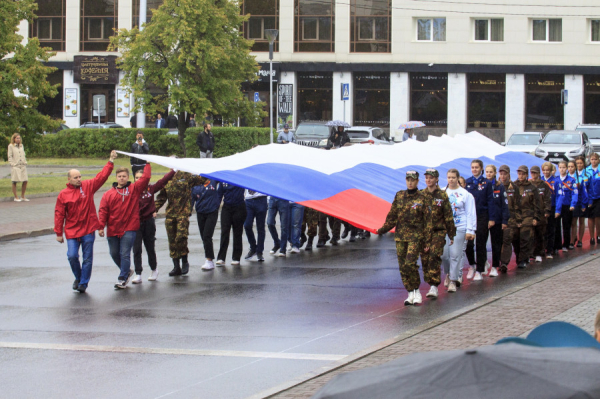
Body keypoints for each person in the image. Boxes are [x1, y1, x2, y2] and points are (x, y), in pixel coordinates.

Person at [54, 151, 117, 293]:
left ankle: (83, 283)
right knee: (72, 256)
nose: (79, 179)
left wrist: (110, 162)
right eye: (75, 177)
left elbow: (101, 177)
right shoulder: (63, 194)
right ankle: (78, 277)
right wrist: (59, 233)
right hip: (71, 231)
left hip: (88, 229)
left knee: (87, 258)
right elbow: (59, 214)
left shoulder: (87, 186)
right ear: (69, 179)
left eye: (80, 176)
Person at [377, 171, 426, 306]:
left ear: (417, 181)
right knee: (403, 266)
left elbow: (428, 219)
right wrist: (381, 230)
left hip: (416, 236)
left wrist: (427, 238)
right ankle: (410, 292)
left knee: (410, 263)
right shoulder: (399, 195)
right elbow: (392, 216)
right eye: (408, 180)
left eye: (413, 180)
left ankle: (417, 291)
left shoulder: (422, 197)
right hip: (401, 236)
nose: (410, 182)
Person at [98, 164, 152, 289]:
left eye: (124, 176)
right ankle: (127, 271)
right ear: (116, 177)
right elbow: (103, 211)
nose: (122, 178)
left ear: (128, 177)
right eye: (119, 176)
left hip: (129, 227)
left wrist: (147, 164)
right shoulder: (108, 194)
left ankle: (122, 278)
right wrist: (101, 226)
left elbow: (146, 178)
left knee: (125, 253)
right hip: (113, 228)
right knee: (114, 253)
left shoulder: (134, 189)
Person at [155, 171, 205, 276]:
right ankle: (176, 266)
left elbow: (203, 179)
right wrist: (153, 209)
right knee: (172, 241)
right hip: (170, 214)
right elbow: (161, 197)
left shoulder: (186, 176)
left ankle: (184, 260)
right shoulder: (167, 178)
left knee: (181, 237)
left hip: (183, 213)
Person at [132, 168, 175, 283]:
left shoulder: (150, 189)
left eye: (141, 178)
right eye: (136, 178)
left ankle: (154, 269)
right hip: (135, 223)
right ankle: (138, 273)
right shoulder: (132, 190)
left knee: (150, 247)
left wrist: (173, 170)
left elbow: (163, 181)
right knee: (136, 248)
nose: (139, 180)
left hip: (148, 222)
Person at [420, 169, 456, 299]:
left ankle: (434, 286)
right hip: (424, 233)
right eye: (427, 178)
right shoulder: (421, 195)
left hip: (438, 232)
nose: (428, 180)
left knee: (434, 256)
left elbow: (448, 216)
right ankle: (430, 281)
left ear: (437, 179)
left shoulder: (442, 195)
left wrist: (451, 234)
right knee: (425, 259)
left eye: (431, 178)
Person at [442, 168, 476, 292]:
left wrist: (470, 230)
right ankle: (448, 273)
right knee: (444, 255)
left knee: (455, 255)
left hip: (459, 227)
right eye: (449, 177)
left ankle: (453, 280)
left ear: (458, 178)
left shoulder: (466, 194)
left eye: (453, 177)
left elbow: (470, 213)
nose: (451, 180)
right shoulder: (443, 192)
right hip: (445, 228)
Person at [465, 159, 497, 281]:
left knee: (480, 243)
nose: (474, 169)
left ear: (481, 169)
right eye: (472, 167)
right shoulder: (468, 183)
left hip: (483, 216)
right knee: (468, 244)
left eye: (476, 167)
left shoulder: (487, 183)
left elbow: (490, 201)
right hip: (470, 217)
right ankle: (472, 265)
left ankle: (479, 269)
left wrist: (491, 218)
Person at [511, 165, 542, 269]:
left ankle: (522, 259)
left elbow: (537, 204)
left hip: (528, 215)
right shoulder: (513, 186)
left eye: (523, 173)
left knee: (525, 237)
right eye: (519, 173)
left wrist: (536, 218)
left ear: (526, 174)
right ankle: (520, 256)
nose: (521, 175)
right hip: (516, 216)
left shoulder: (532, 188)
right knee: (515, 237)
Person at [191, 178, 223, 270]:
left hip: (212, 211)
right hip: (200, 212)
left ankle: (209, 260)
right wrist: (187, 212)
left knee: (207, 235)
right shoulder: (194, 184)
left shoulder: (212, 180)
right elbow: (192, 199)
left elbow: (221, 177)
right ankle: (209, 259)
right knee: (203, 236)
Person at [485, 164, 509, 277]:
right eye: (487, 172)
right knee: (481, 243)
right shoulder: (482, 185)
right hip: (485, 219)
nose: (489, 174)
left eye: (491, 172)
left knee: (496, 244)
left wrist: (505, 220)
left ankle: (495, 266)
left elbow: (504, 205)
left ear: (495, 173)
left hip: (497, 219)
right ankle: (483, 264)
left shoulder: (500, 187)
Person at [216, 182, 247, 266]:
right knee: (224, 231)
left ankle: (236, 257)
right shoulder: (223, 180)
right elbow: (219, 193)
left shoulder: (239, 178)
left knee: (237, 232)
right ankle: (221, 257)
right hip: (227, 207)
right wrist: (216, 206)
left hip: (239, 206)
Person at [529, 165, 552, 263]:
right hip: (530, 213)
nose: (534, 175)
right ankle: (531, 253)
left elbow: (547, 199)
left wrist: (547, 211)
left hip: (541, 213)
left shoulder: (544, 185)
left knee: (540, 234)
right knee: (531, 234)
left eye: (535, 173)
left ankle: (539, 253)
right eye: (532, 173)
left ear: (539, 174)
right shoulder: (528, 184)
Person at [555, 161, 578, 252]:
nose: (562, 169)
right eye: (560, 167)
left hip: (567, 206)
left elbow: (575, 193)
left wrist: (573, 204)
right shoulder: (556, 180)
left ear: (567, 169)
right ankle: (557, 245)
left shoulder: (571, 180)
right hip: (557, 206)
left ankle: (566, 244)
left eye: (564, 167)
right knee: (557, 226)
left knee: (566, 225)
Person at [499, 164, 518, 273]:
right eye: (501, 174)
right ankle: (498, 261)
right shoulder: (496, 186)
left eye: (504, 174)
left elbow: (517, 204)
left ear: (508, 174)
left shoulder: (513, 188)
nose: (502, 176)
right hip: (498, 218)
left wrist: (516, 219)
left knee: (507, 240)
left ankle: (504, 263)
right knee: (498, 241)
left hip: (510, 219)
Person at [244, 189, 268, 262]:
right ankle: (253, 247)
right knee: (247, 225)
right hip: (248, 200)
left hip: (261, 198)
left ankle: (259, 252)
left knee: (260, 227)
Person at [541, 162, 560, 257]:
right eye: (544, 170)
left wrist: (557, 209)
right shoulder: (540, 180)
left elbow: (558, 197)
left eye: (547, 170)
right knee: (542, 230)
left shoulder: (556, 181)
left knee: (551, 229)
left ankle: (550, 250)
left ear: (551, 170)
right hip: (542, 208)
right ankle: (542, 249)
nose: (545, 172)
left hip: (552, 207)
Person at [571, 157, 589, 248]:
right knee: (573, 222)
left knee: (581, 221)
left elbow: (587, 190)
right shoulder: (571, 175)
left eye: (581, 163)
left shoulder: (587, 174)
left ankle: (580, 240)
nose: (579, 165)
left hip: (582, 201)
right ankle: (573, 238)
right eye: (577, 163)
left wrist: (586, 203)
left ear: (584, 164)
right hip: (574, 202)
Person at [7, 133, 28, 202]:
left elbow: (23, 154)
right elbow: (9, 156)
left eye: (19, 138)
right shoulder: (11, 146)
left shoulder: (21, 146)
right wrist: (12, 164)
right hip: (16, 166)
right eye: (17, 138)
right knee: (14, 181)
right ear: (14, 139)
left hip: (22, 165)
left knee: (25, 180)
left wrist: (25, 161)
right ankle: (16, 197)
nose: (18, 139)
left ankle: (22, 196)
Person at [586, 153, 600, 245]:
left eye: (595, 159)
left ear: (598, 160)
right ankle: (591, 237)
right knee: (590, 217)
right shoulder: (587, 170)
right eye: (592, 159)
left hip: (599, 197)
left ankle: (598, 235)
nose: (593, 161)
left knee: (598, 216)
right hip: (589, 197)